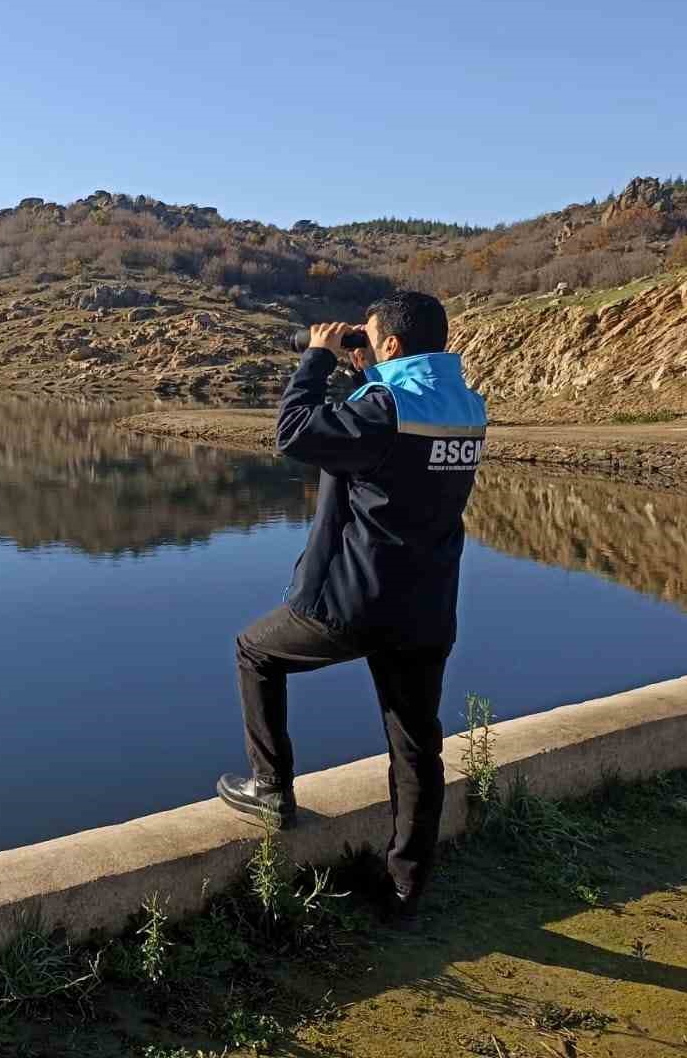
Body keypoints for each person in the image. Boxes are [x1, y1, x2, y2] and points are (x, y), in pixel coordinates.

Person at [216, 289, 486, 917]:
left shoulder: (381, 410)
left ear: (389, 343)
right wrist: (369, 373)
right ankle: (406, 885)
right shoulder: (466, 406)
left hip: (353, 601)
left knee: (255, 652)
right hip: (427, 606)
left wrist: (316, 357)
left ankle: (270, 789)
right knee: (416, 745)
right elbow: (397, 453)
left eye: (367, 336)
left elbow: (294, 432)